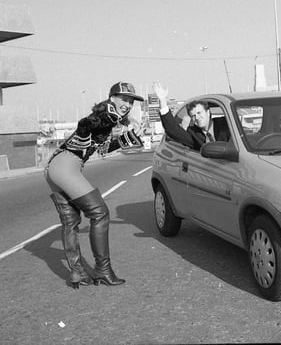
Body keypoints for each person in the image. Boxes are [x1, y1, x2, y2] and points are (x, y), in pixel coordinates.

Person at [45, 82, 144, 288]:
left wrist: (130, 136)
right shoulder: (104, 114)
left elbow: (103, 149)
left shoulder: (108, 121)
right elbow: (86, 124)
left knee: (71, 222)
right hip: (65, 166)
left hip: (56, 166)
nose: (127, 105)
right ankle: (103, 270)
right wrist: (115, 118)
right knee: (100, 213)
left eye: (131, 101)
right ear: (112, 98)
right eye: (124, 99)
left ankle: (78, 273)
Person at [152, 82, 230, 150]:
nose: (197, 118)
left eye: (199, 113)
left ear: (208, 112)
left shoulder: (226, 124)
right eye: (193, 115)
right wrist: (163, 100)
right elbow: (173, 130)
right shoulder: (193, 133)